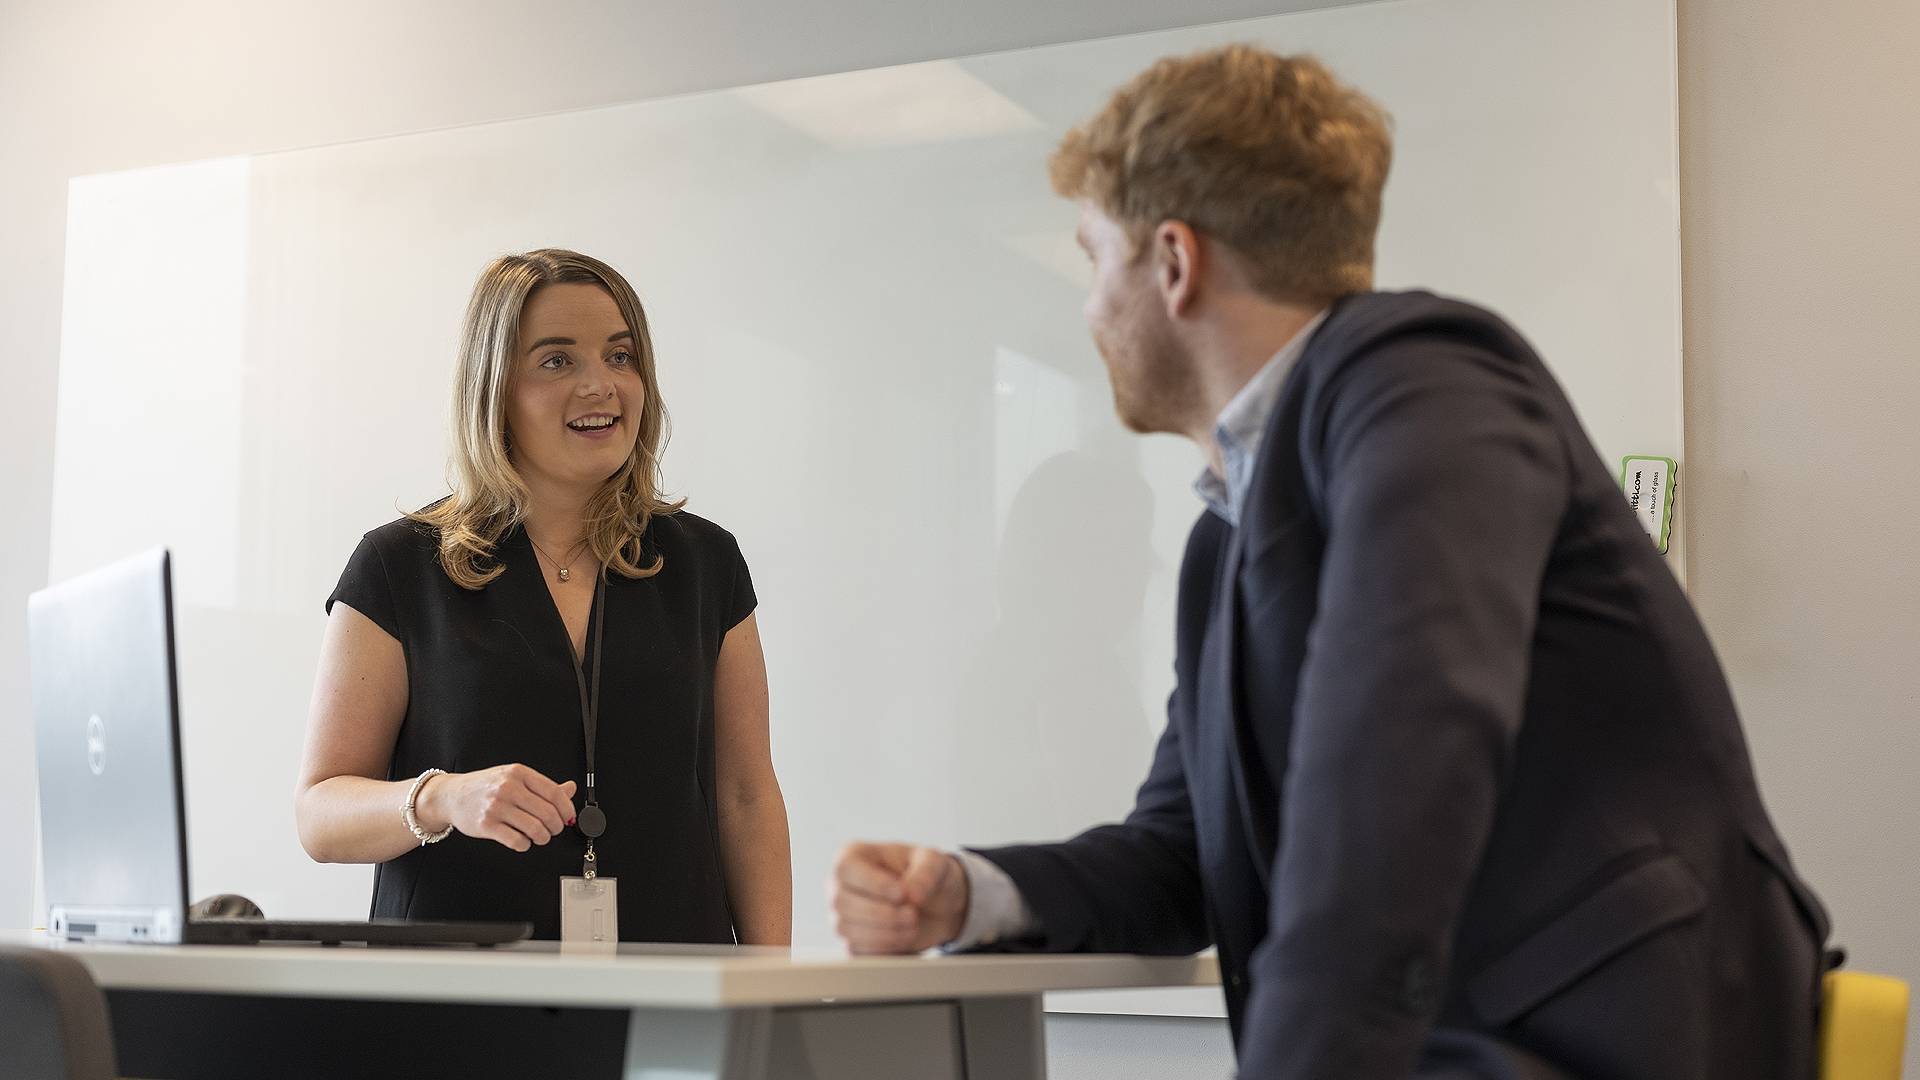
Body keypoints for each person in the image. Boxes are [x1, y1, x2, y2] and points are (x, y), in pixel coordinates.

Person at [830, 46, 1828, 1078]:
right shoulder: (1226, 539)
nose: (1087, 308)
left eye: (1094, 259)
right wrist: (967, 891)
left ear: (1173, 263)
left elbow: (1406, 748)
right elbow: (1183, 856)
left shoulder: (1421, 379)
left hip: (1608, 1041)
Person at [297, 248, 790, 945]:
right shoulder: (396, 564)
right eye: (557, 361)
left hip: (672, 996)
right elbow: (319, 815)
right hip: (458, 1004)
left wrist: (767, 995)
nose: (601, 386)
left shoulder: (704, 562)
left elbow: (745, 797)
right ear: (493, 387)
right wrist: (441, 797)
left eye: (620, 356)